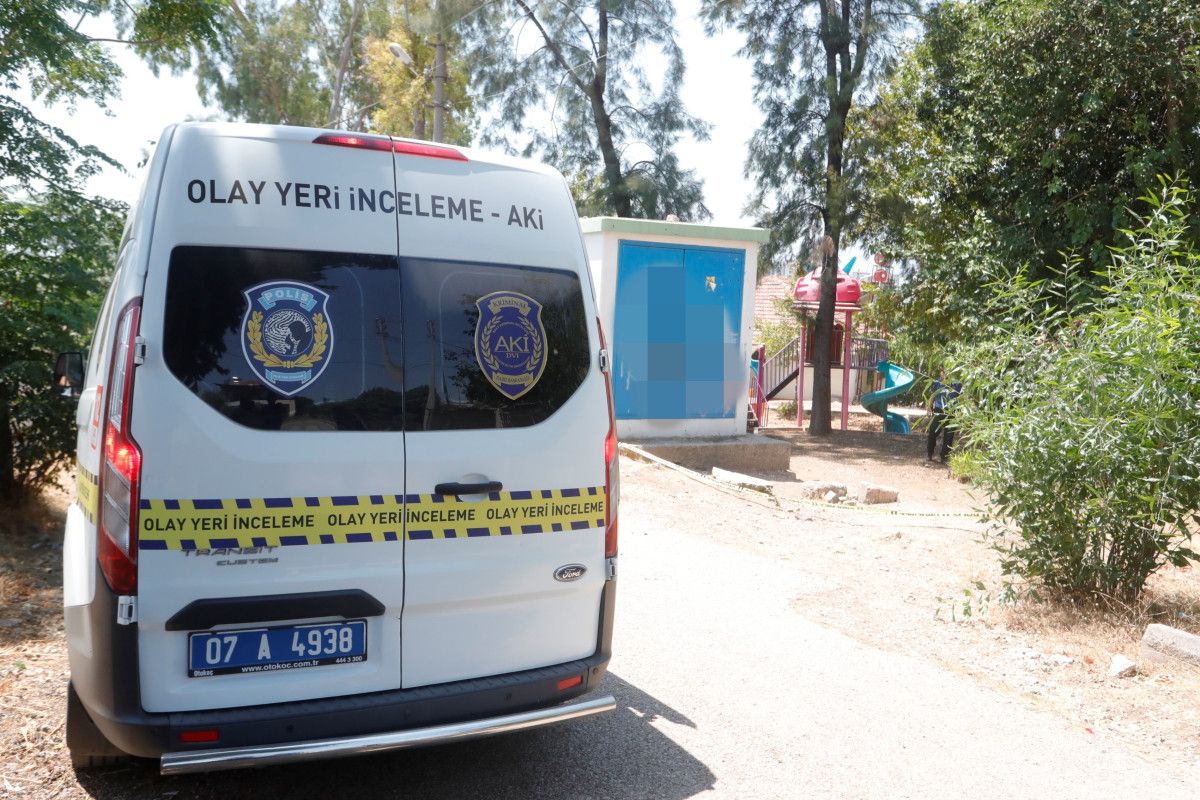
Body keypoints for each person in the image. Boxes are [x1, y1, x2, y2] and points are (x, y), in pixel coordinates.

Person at [926, 368, 961, 463]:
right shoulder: (937, 382)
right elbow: (933, 395)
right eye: (943, 372)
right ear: (941, 373)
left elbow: (961, 397)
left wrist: (960, 412)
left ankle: (944, 457)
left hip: (952, 411)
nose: (945, 374)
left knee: (949, 436)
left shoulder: (957, 384)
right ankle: (929, 453)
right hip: (939, 410)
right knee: (933, 432)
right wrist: (929, 408)